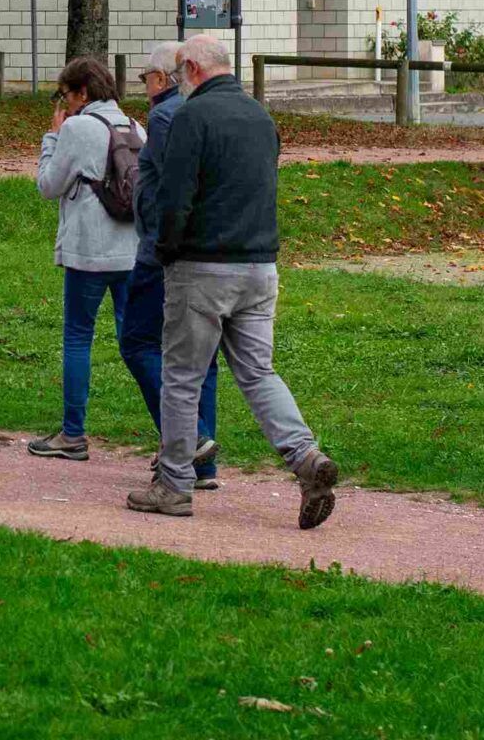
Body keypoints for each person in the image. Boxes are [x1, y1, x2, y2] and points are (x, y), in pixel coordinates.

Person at [127, 33, 340, 526]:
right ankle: (306, 459)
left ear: (194, 71)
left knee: (182, 377)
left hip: (202, 266)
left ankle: (174, 485)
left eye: (180, 75)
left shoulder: (190, 118)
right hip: (260, 265)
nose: (178, 84)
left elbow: (175, 198)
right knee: (258, 372)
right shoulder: (261, 117)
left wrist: (166, 251)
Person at [25, 57, 143, 461]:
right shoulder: (134, 126)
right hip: (132, 249)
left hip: (89, 250)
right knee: (140, 343)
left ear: (83, 93)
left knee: (78, 336)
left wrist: (51, 139)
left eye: (66, 94)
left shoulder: (77, 128)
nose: (64, 103)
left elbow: (47, 185)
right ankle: (183, 435)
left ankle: (73, 432)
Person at [118, 43, 221, 486]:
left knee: (139, 342)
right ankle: (205, 463)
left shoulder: (164, 117)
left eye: (146, 78)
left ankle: (190, 439)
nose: (145, 87)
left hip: (160, 250)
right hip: (206, 249)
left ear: (162, 79)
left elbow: (167, 185)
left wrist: (161, 242)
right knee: (204, 358)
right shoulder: (204, 111)